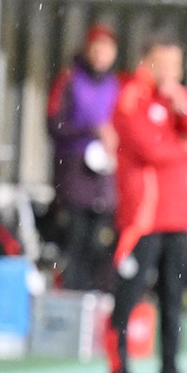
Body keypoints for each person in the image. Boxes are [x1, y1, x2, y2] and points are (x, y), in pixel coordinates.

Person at [107, 35, 187, 373]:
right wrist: (182, 149)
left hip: (179, 217)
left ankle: (170, 369)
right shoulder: (130, 95)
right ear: (146, 62)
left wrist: (184, 108)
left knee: (174, 297)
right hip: (144, 217)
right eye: (162, 64)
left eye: (175, 65)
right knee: (130, 291)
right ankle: (118, 368)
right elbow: (147, 148)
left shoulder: (179, 101)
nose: (169, 72)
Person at [47, 24, 121, 292]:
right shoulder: (69, 79)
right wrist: (89, 130)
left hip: (104, 175)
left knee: (99, 241)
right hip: (75, 171)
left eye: (107, 49)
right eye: (97, 48)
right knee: (74, 238)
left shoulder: (115, 85)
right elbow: (54, 124)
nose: (102, 55)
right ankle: (72, 294)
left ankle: (95, 297)